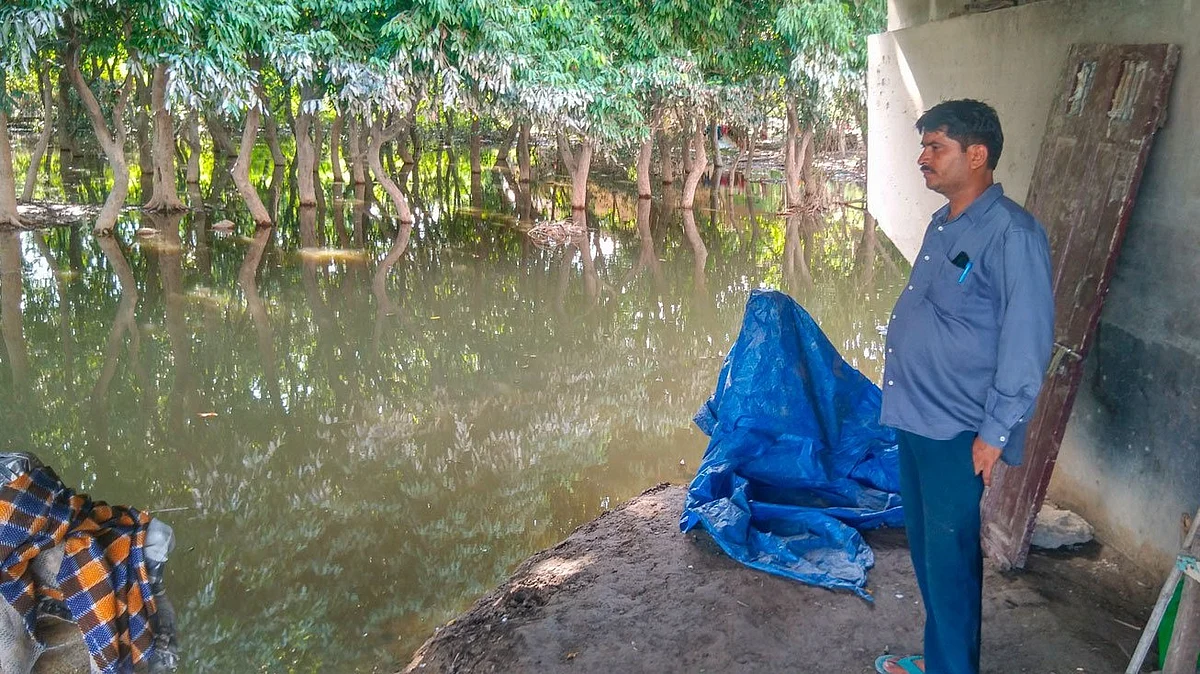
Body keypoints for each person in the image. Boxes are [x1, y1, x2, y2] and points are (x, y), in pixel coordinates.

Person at [874, 99, 1055, 674]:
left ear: (976, 155)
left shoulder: (1013, 234)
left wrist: (994, 434)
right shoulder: (942, 222)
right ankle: (942, 659)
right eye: (923, 145)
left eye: (936, 146)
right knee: (930, 555)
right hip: (915, 415)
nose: (922, 157)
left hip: (958, 427)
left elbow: (1026, 345)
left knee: (950, 560)